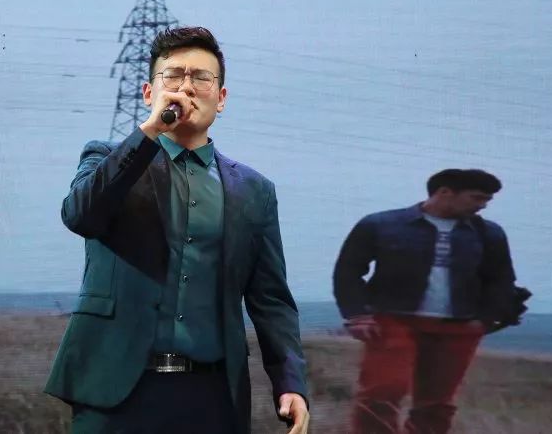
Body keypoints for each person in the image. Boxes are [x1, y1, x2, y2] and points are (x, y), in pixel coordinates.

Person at [45, 26, 310, 434]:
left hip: (211, 396)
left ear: (221, 98)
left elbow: (271, 299)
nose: (186, 87)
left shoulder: (254, 191)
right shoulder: (106, 158)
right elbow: (81, 216)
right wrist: (150, 132)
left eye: (201, 77)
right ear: (148, 93)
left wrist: (290, 383)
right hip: (114, 391)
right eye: (173, 76)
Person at [332, 168, 518, 434]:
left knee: (436, 403)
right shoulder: (380, 224)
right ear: (444, 192)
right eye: (476, 198)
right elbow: (348, 271)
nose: (482, 206)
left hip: (459, 326)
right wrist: (357, 314)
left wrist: (485, 320)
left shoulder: (489, 234)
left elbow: (501, 279)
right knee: (382, 392)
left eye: (487, 200)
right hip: (392, 320)